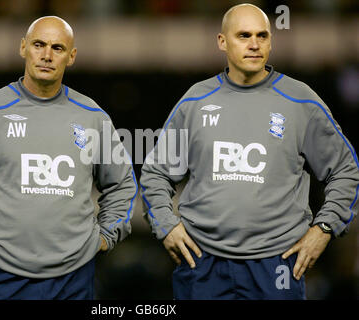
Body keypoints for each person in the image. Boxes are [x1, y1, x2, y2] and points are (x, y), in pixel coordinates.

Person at [140, 4, 359, 299]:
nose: (255, 44)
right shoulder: (195, 101)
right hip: (202, 262)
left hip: (277, 264)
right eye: (244, 35)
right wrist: (166, 226)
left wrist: (324, 229)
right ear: (222, 41)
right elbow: (156, 173)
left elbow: (346, 170)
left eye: (262, 36)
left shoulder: (300, 102)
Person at [0, 16, 137, 300]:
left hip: (73, 278)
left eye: (57, 48)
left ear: (72, 56)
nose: (46, 55)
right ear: (23, 48)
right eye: (38, 44)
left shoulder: (93, 117)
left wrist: (106, 235)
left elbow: (123, 185)